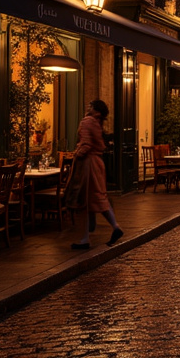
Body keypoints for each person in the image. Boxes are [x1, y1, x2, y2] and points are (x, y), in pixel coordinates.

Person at [68, 99, 124, 249]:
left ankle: (85, 238)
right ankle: (114, 226)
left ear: (95, 109)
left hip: (88, 164)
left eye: (90, 106)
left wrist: (76, 154)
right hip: (98, 163)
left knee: (84, 200)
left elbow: (86, 144)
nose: (88, 107)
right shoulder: (97, 122)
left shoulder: (87, 121)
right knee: (98, 197)